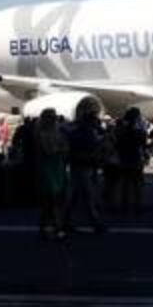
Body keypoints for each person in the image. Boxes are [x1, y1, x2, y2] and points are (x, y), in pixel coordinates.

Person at [65, 100, 108, 235]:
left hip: (79, 166)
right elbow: (92, 150)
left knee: (76, 196)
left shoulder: (79, 132)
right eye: (95, 120)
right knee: (87, 196)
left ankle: (65, 221)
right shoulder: (87, 133)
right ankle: (95, 223)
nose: (98, 123)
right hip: (83, 167)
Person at [34, 109, 71, 239]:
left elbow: (64, 148)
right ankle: (57, 227)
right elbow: (49, 150)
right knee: (52, 199)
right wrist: (59, 149)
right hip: (48, 168)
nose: (55, 119)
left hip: (57, 167)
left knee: (53, 200)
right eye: (52, 117)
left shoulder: (57, 133)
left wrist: (59, 149)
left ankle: (45, 227)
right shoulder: (41, 133)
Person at [111, 107, 148, 215]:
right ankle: (138, 207)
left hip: (124, 159)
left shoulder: (120, 130)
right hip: (136, 159)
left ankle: (124, 207)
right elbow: (143, 143)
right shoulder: (139, 131)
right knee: (137, 185)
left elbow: (116, 145)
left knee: (125, 184)